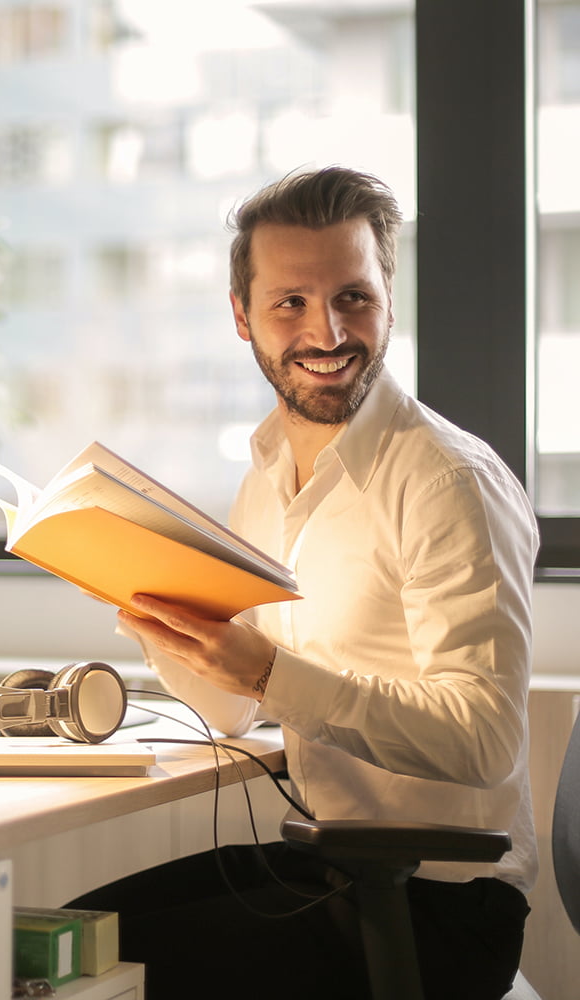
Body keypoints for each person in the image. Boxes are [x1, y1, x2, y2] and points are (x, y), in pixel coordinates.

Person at [68, 166, 538, 1000]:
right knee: (52, 936)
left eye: (353, 296)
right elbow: (234, 711)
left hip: (441, 910)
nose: (327, 331)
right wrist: (157, 617)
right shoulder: (268, 472)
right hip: (328, 863)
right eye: (291, 303)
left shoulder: (445, 480)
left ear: (388, 298)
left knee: (81, 977)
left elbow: (485, 738)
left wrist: (265, 670)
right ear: (242, 317)